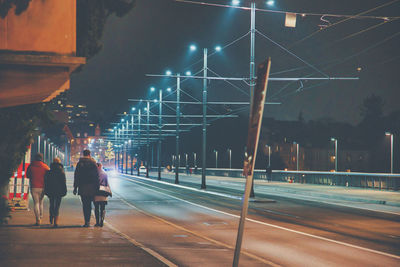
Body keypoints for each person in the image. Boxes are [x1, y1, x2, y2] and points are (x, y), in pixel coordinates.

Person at [73, 150, 99, 227]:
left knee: (85, 205)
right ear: (89, 154)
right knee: (92, 204)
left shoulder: (79, 163)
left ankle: (87, 222)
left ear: (83, 154)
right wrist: (97, 187)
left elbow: (76, 176)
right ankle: (96, 221)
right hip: (92, 187)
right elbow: (96, 176)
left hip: (82, 186)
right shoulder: (93, 163)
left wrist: (75, 187)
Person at [26, 153, 50, 225]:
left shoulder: (31, 166)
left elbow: (27, 175)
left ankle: (38, 219)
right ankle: (41, 216)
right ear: (42, 158)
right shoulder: (45, 166)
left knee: (36, 203)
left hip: (34, 186)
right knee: (41, 202)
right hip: (42, 186)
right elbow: (48, 176)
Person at [44, 158, 67, 227]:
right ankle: (56, 222)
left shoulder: (49, 171)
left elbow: (46, 181)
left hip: (51, 190)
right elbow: (63, 182)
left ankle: (51, 217)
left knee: (51, 204)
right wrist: (64, 190)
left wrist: (46, 190)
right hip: (59, 191)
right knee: (57, 206)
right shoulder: (61, 171)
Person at [94, 163, 112, 227]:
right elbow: (107, 183)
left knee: (96, 208)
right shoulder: (105, 173)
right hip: (104, 192)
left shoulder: (95, 173)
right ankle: (101, 221)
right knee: (102, 208)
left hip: (97, 192)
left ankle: (97, 222)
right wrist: (110, 191)